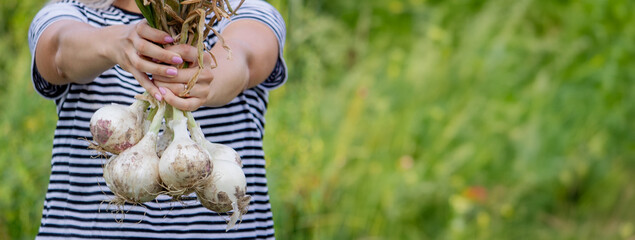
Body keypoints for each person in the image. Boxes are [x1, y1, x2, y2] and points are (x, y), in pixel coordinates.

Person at [28, 0, 286, 238]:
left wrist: (207, 80)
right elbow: (58, 52)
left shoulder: (242, 10)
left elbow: (245, 58)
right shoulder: (71, 12)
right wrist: (114, 44)